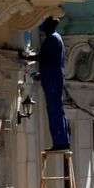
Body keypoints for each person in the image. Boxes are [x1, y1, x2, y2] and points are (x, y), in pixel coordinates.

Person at [19, 17, 70, 151]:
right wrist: (42, 75)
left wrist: (24, 57)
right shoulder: (56, 38)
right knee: (57, 109)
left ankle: (60, 143)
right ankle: (63, 141)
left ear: (48, 26)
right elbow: (51, 60)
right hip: (52, 77)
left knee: (54, 110)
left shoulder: (52, 38)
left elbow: (43, 56)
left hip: (53, 79)